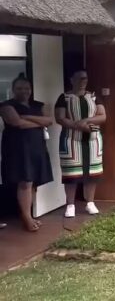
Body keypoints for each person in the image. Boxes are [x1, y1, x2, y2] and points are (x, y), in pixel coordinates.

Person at [0, 74, 53, 231]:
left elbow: (49, 121)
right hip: (18, 149)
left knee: (33, 182)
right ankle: (26, 218)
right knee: (25, 182)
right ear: (13, 89)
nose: (24, 91)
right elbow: (16, 123)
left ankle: (29, 214)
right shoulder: (6, 105)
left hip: (37, 147)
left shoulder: (38, 104)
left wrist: (26, 116)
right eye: (20, 88)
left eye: (27, 88)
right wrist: (38, 121)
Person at [55, 70, 107, 218]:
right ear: (72, 80)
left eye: (85, 78)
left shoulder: (94, 96)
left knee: (92, 173)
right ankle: (70, 205)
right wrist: (78, 126)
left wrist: (86, 121)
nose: (83, 80)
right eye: (79, 78)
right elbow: (60, 118)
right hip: (71, 139)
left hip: (92, 141)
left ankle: (90, 203)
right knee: (71, 174)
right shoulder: (64, 97)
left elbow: (103, 116)